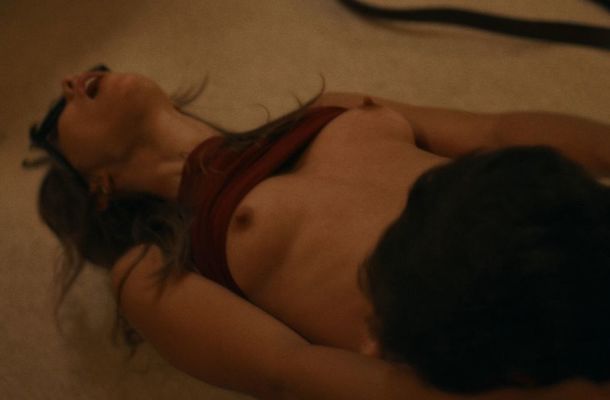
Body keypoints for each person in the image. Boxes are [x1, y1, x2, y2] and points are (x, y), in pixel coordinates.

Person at [28, 65, 610, 399]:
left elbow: (496, 134)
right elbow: (288, 370)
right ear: (97, 186)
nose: (71, 79)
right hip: (511, 354)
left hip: (574, 236)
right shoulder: (151, 266)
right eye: (58, 116)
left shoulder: (331, 108)